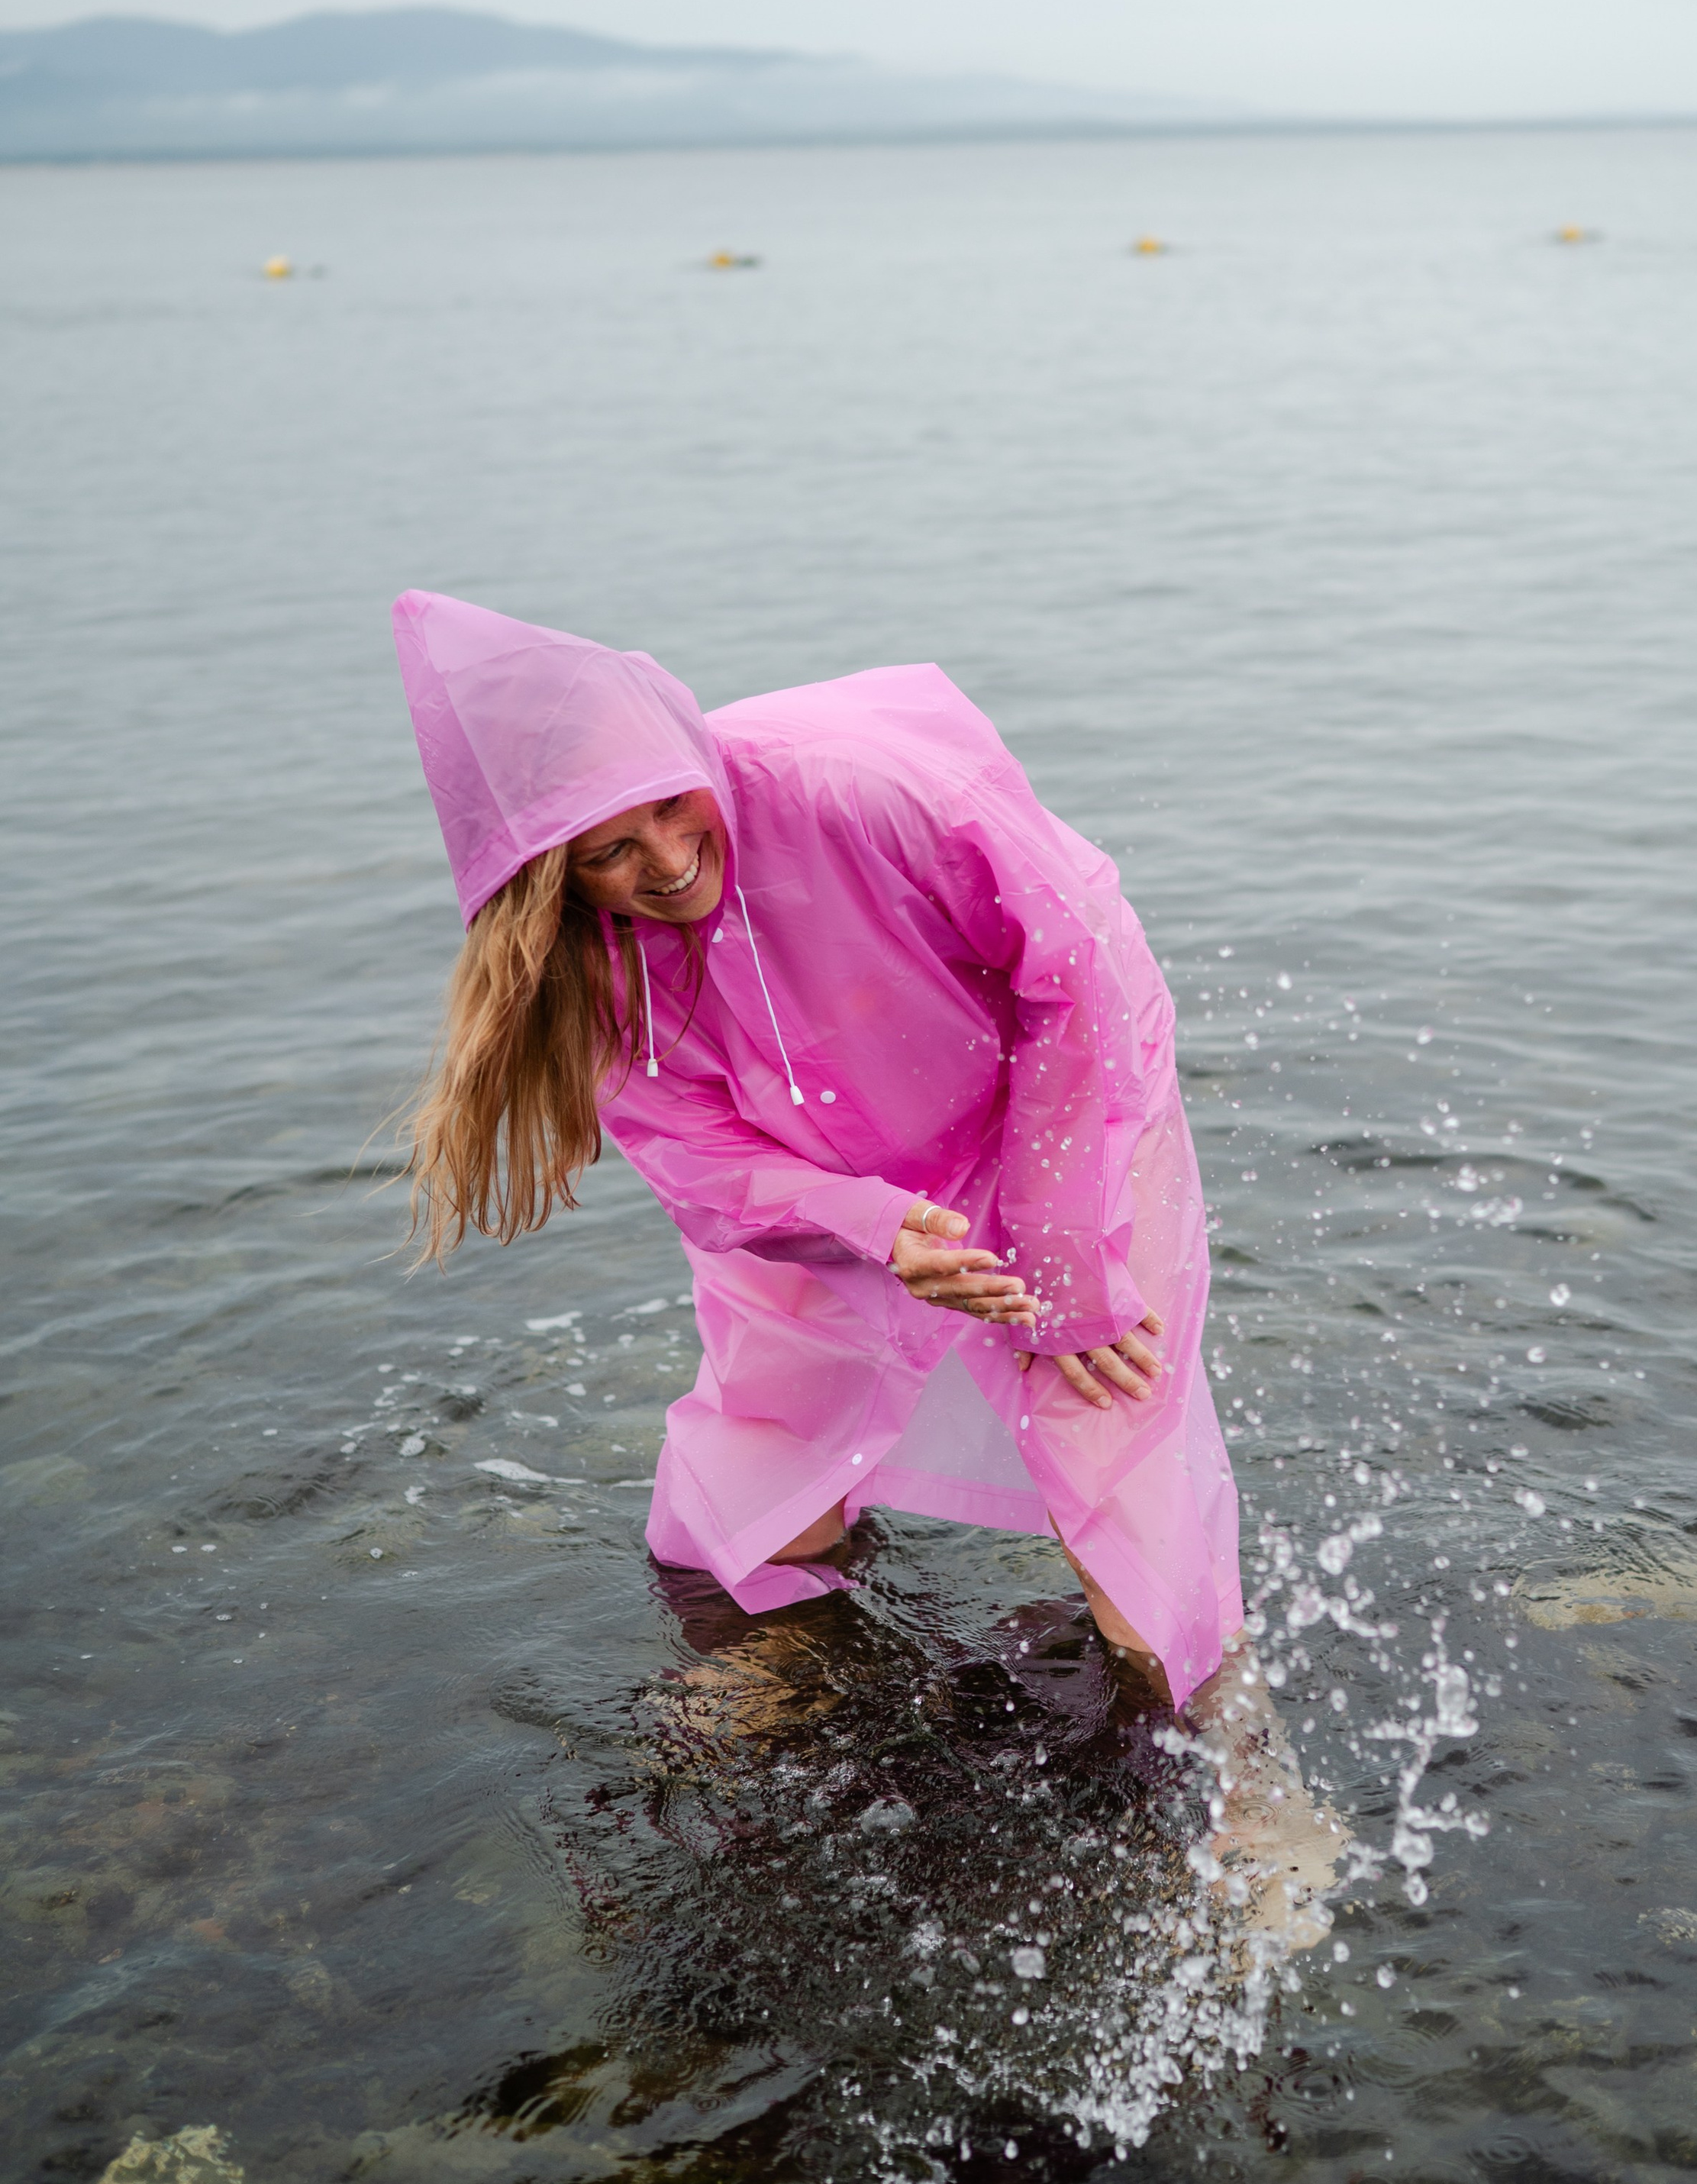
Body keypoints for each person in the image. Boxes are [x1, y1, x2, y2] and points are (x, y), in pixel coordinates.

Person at [392, 594, 1339, 1931]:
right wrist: (875, 1229)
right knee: (768, 1442)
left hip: (1051, 1097)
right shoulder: (583, 969)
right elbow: (700, 1162)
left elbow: (1078, 969)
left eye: (676, 808)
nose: (666, 863)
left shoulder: (860, 793)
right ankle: (777, 1666)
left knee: (1107, 1407)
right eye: (609, 852)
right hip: (818, 1171)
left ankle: (1248, 1776)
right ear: (547, 879)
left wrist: (1062, 1259)